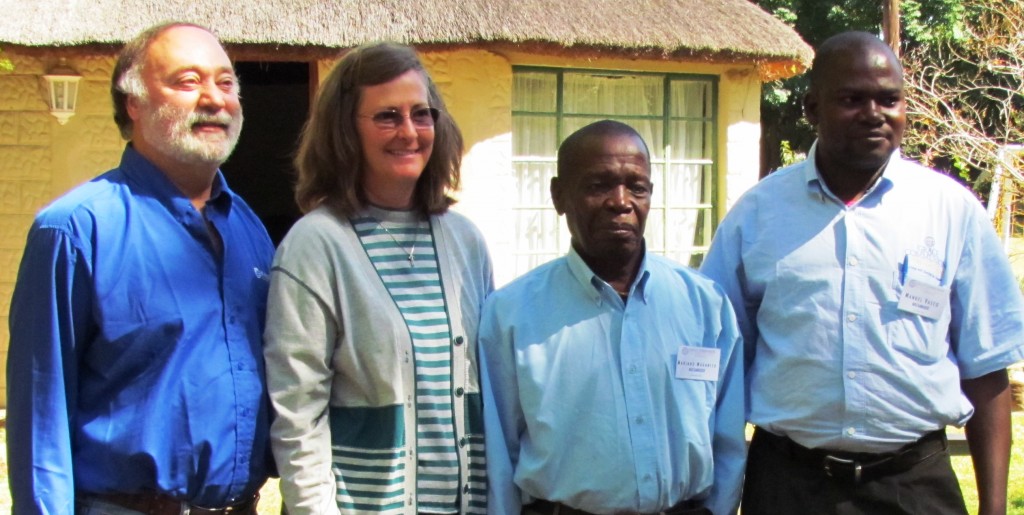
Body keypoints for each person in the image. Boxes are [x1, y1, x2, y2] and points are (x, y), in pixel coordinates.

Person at [700, 31, 1024, 515]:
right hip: (790, 485)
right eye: (852, 99)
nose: (874, 114)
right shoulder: (757, 216)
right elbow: (717, 362)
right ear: (811, 108)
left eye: (888, 99)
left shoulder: (951, 211)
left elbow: (987, 368)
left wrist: (995, 509)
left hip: (914, 485)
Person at [6, 22, 273, 515]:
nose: (214, 99)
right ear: (134, 102)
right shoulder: (75, 230)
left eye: (226, 82)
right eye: (187, 81)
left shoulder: (249, 230)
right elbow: (40, 409)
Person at [262, 42, 492, 515]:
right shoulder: (317, 245)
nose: (409, 131)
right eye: (387, 116)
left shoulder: (465, 241)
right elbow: (298, 417)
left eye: (421, 114)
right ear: (346, 129)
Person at [480, 120, 745, 515]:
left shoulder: (705, 306)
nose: (620, 201)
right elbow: (499, 456)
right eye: (598, 185)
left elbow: (728, 442)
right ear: (558, 196)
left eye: (636, 186)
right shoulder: (512, 315)